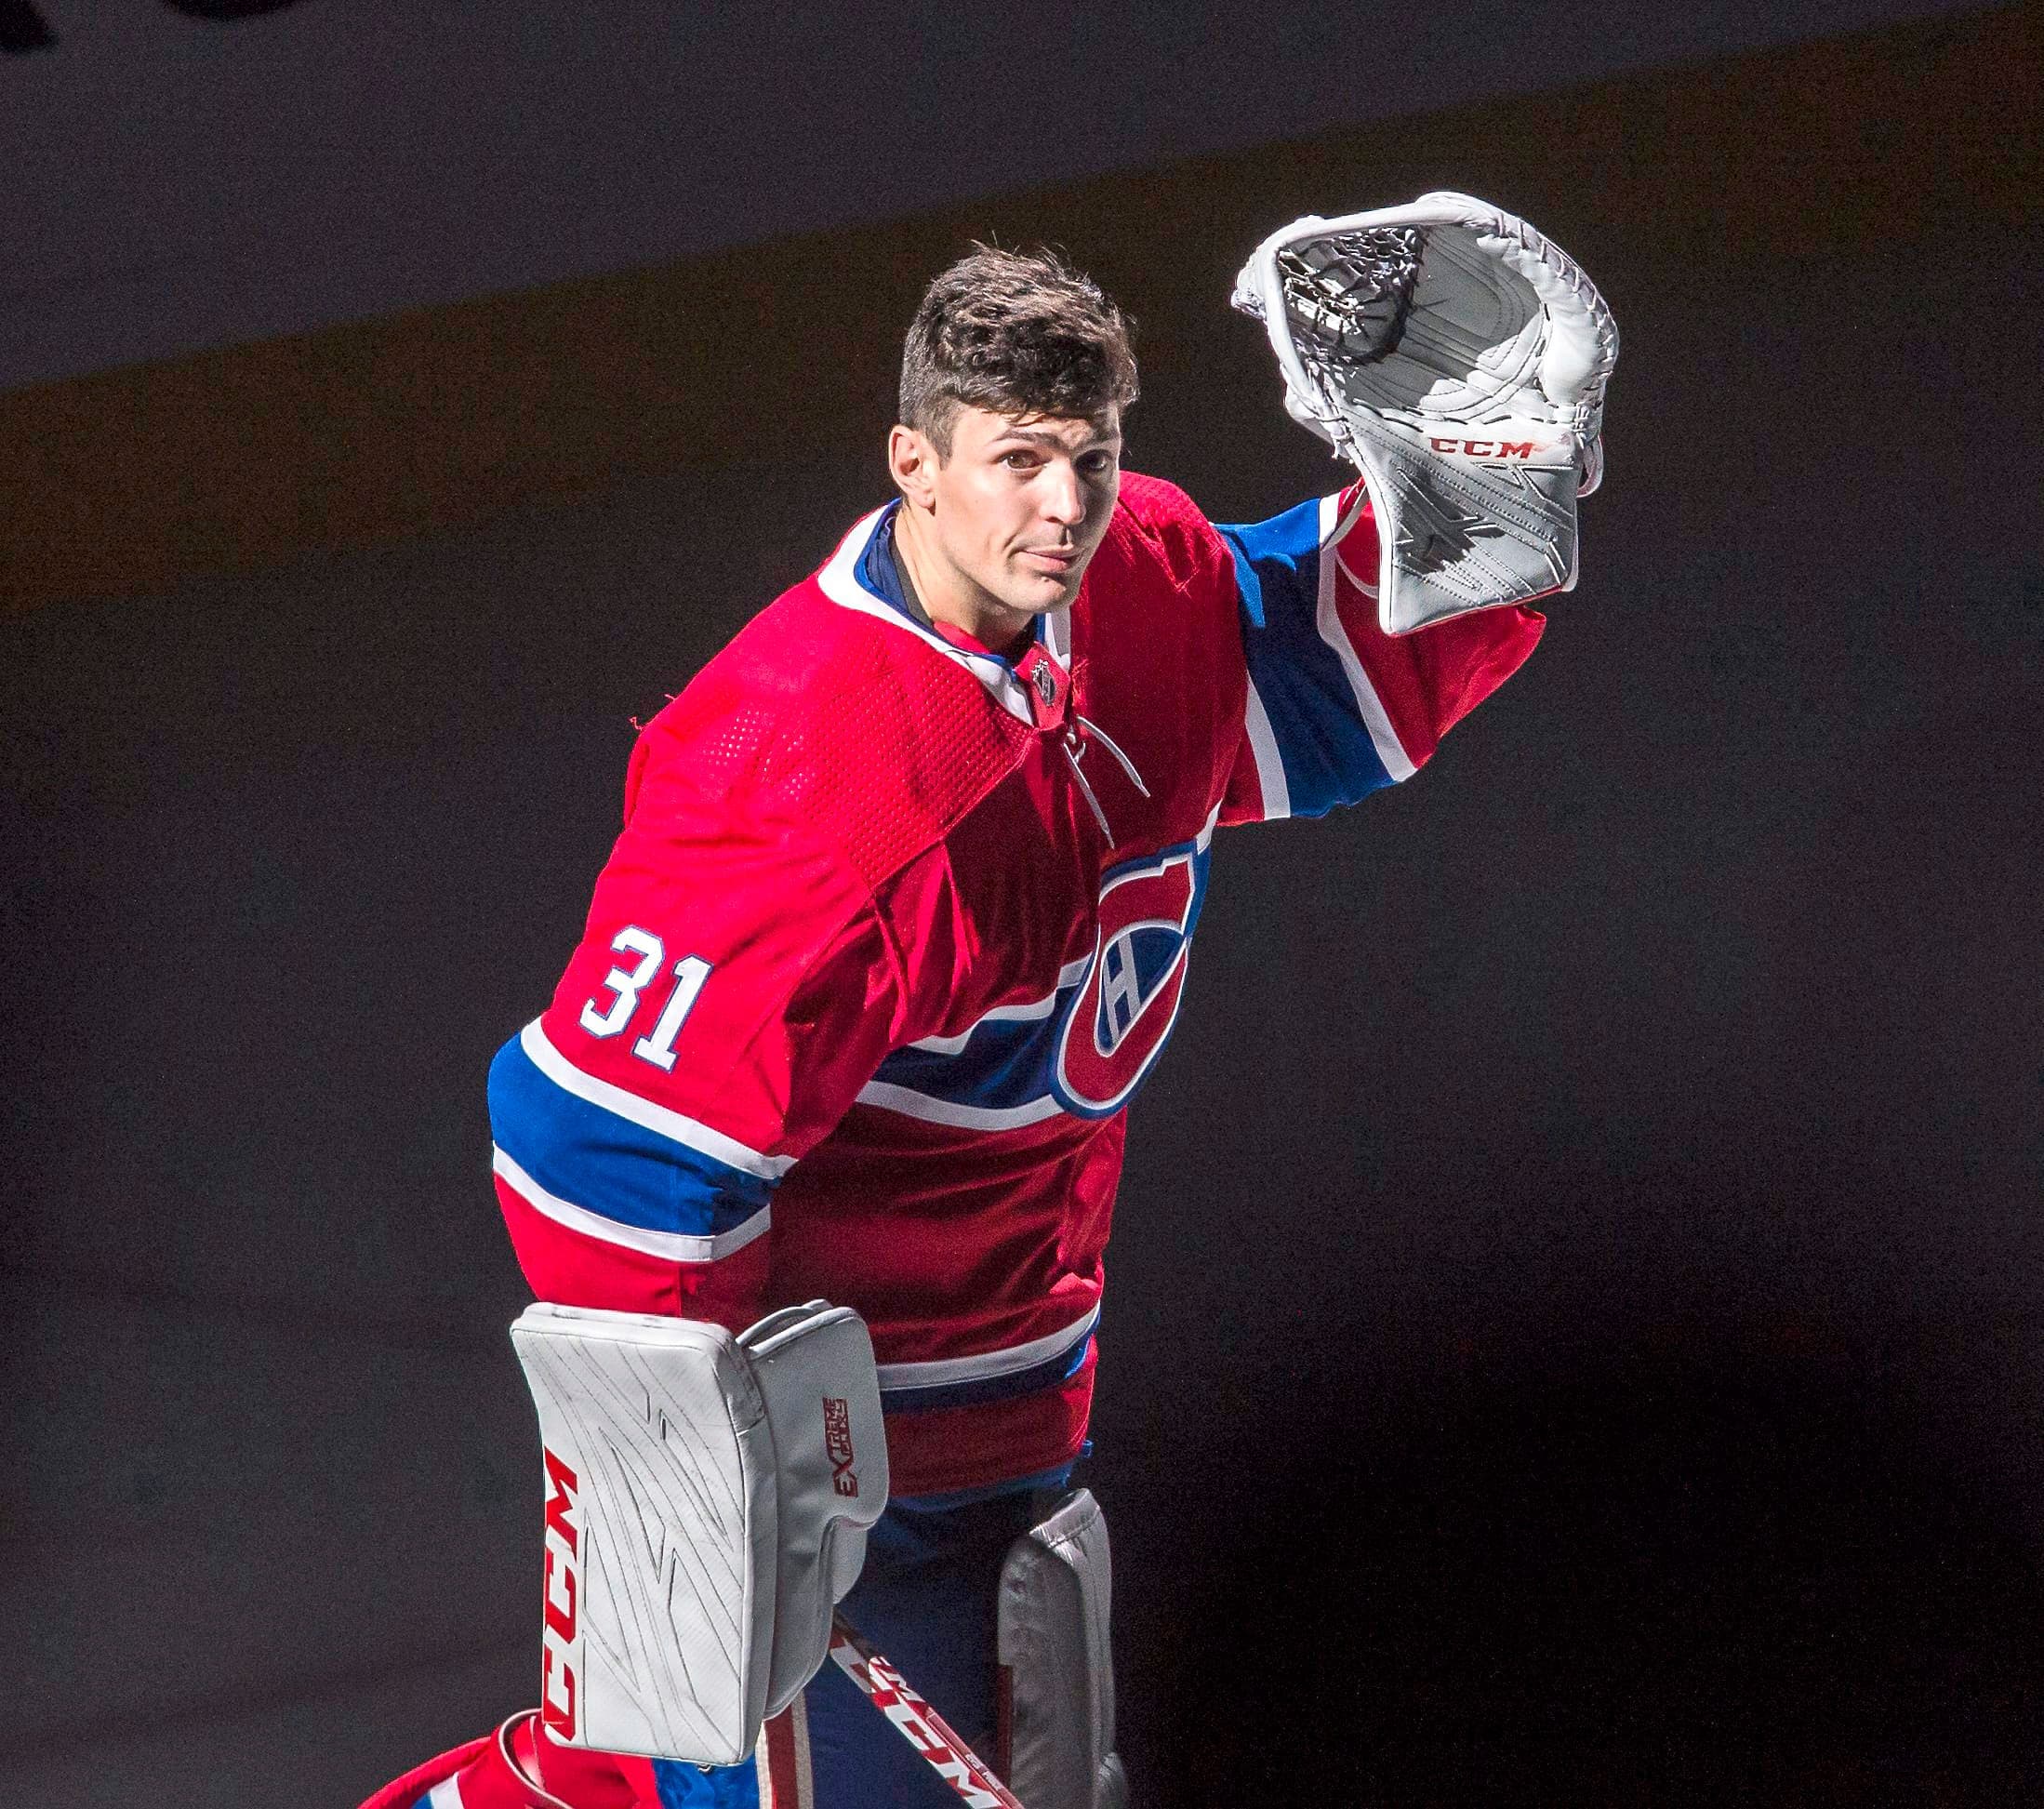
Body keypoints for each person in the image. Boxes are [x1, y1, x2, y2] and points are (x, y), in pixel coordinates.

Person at [363, 244, 1546, 1809]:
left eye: (1091, 461)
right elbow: (592, 1150)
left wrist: (1484, 488)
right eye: (1016, 464)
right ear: (913, 465)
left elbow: (1325, 679)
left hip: (1012, 1409)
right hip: (845, 1487)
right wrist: (730, 1491)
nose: (1062, 508)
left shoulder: (1137, 586)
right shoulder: (806, 789)